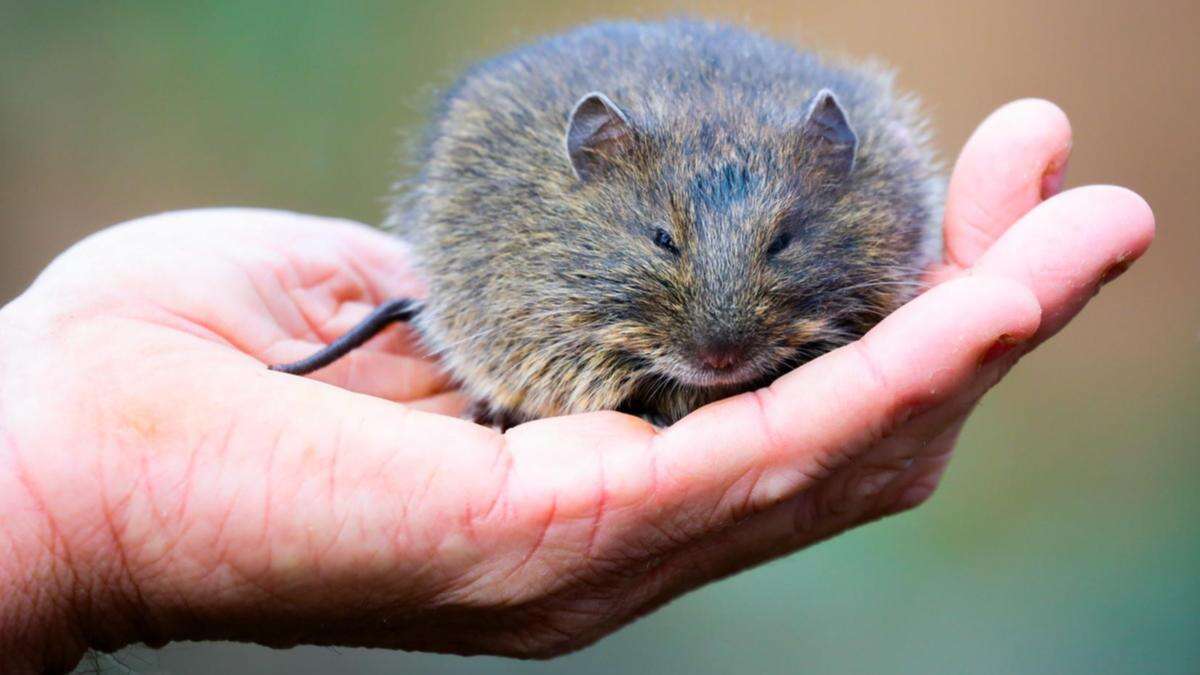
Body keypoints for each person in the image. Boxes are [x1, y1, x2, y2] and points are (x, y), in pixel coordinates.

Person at [0, 100, 1153, 672]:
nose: (721, 334)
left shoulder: (860, 191)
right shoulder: (534, 210)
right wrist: (61, 504)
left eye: (783, 254)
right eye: (663, 253)